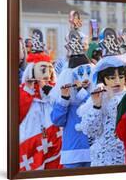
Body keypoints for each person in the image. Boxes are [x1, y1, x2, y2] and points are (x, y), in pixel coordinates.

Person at [49, 30, 93, 168]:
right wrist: (64, 99)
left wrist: (81, 92)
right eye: (79, 73)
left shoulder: (94, 96)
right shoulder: (67, 102)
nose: (84, 78)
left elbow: (93, 109)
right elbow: (57, 120)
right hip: (72, 152)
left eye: (87, 72)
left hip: (93, 150)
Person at [19, 29, 61, 171]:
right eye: (43, 69)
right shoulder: (25, 90)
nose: (47, 73)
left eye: (49, 69)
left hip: (52, 134)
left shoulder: (54, 89)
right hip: (33, 129)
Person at [76, 53, 126, 166]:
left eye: (121, 77)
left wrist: (112, 99)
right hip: (103, 159)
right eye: (112, 78)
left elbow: (125, 123)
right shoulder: (98, 96)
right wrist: (96, 105)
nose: (117, 82)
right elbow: (91, 130)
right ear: (103, 79)